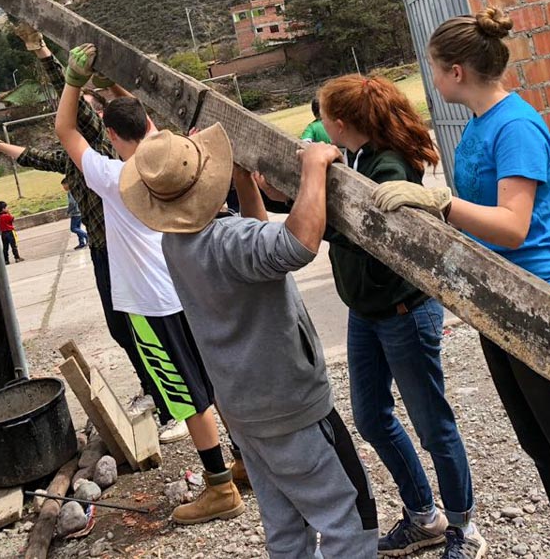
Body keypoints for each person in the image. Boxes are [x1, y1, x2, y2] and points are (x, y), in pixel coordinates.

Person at [372, 7, 550, 559]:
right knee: (541, 445)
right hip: (497, 305)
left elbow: (513, 224)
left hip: (538, 307)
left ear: (456, 71)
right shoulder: (481, 125)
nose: (431, 78)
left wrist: (441, 204)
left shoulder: (516, 126)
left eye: (434, 68)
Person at [120, 122, 379, 559]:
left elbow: (260, 245)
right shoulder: (228, 241)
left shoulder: (176, 242)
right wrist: (315, 167)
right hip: (291, 407)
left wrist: (242, 182)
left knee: (285, 526)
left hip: (245, 410)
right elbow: (297, 244)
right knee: (348, 519)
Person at [55, 43, 243, 526]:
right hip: (188, 290)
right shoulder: (169, 160)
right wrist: (113, 86)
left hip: (150, 302)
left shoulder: (116, 177)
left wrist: (73, 80)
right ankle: (244, 461)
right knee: (215, 379)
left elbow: (65, 130)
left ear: (114, 136)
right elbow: (144, 123)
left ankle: (219, 489)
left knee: (185, 394)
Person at [0, 26, 184, 442]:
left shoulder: (102, 153)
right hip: (106, 251)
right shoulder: (79, 162)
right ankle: (155, 388)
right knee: (124, 329)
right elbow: (38, 156)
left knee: (148, 324)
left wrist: (48, 57)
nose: (87, 111)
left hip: (127, 251)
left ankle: (169, 397)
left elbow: (79, 116)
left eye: (92, 108)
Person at [319, 74, 482, 559]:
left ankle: (463, 528)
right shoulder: (358, 157)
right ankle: (423, 518)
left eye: (323, 116)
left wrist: (319, 221)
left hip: (403, 311)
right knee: (371, 417)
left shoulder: (386, 166)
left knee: (433, 425)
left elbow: (377, 232)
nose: (320, 123)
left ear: (342, 123)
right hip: (366, 313)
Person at [63, 178, 88, 250]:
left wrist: (68, 211)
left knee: (73, 228)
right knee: (78, 228)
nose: (64, 188)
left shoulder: (70, 192)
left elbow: (72, 203)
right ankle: (81, 242)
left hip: (75, 213)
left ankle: (86, 236)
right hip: (79, 211)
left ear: (68, 184)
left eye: (64, 185)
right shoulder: (75, 190)